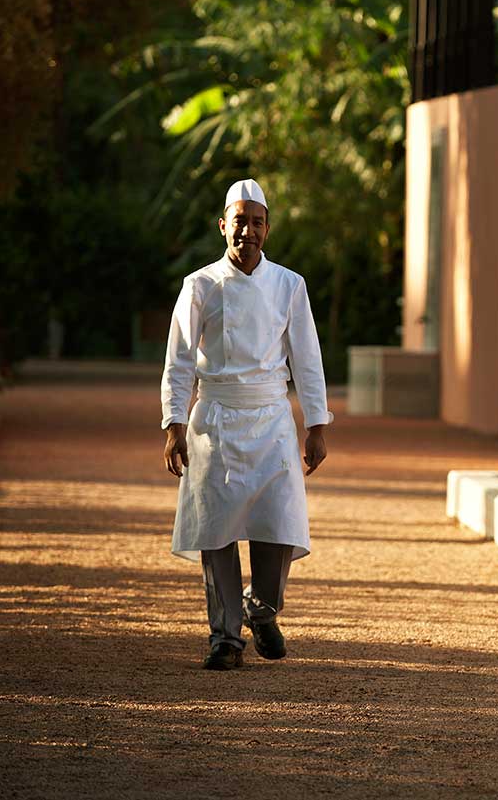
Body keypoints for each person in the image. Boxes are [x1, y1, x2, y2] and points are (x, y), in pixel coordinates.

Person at [160, 178, 332, 671]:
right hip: (214, 418)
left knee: (278, 522)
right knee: (216, 531)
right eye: (239, 221)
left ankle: (263, 608)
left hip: (273, 416)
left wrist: (316, 423)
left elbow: (307, 358)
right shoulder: (199, 285)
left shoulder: (289, 285)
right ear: (223, 226)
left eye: (257, 222)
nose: (248, 231)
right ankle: (225, 637)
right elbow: (179, 360)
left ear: (267, 229)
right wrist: (173, 422)